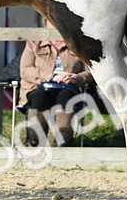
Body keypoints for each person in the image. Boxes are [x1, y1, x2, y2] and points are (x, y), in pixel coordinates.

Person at [17, 19, 93, 147]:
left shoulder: (77, 43)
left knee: (65, 97)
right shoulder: (34, 42)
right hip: (39, 86)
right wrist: (51, 76)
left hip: (69, 88)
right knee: (39, 96)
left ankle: (64, 139)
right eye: (52, 21)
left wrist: (76, 78)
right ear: (45, 23)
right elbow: (25, 70)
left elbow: (90, 72)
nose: (56, 24)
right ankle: (35, 139)